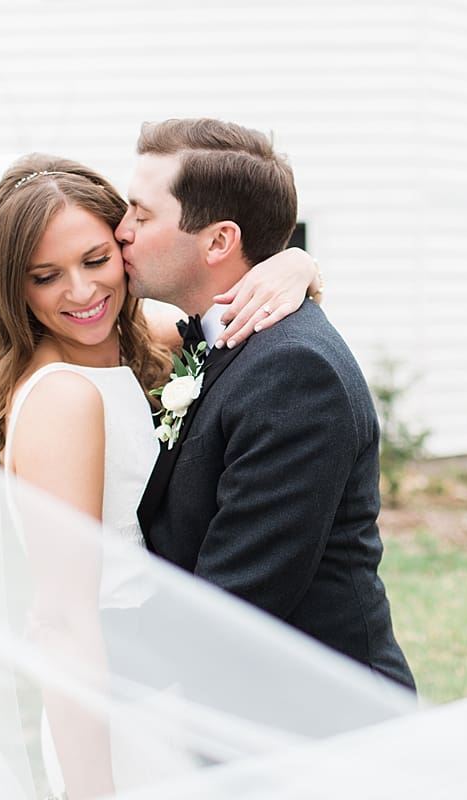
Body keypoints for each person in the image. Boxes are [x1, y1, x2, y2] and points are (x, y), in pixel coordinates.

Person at [0, 153, 322, 797]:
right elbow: (64, 619)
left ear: (125, 246)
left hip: (166, 681)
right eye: (45, 276)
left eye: (95, 260)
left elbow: (228, 308)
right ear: (13, 288)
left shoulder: (136, 338)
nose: (81, 293)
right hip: (118, 706)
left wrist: (297, 263)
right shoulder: (64, 398)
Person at [120, 118, 415, 691]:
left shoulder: (293, 372)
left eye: (141, 213)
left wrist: (74, 635)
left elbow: (237, 602)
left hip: (318, 730)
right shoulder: (217, 333)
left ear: (219, 241)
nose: (121, 230)